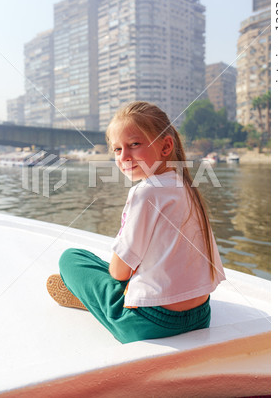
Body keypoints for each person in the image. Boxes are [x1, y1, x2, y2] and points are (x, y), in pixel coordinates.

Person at [47, 101, 226, 344]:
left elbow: (120, 272)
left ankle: (95, 301)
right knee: (107, 264)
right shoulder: (186, 186)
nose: (124, 157)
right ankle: (98, 295)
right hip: (200, 316)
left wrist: (125, 269)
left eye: (134, 145)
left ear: (166, 146)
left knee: (71, 258)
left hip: (149, 323)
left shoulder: (146, 192)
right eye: (117, 150)